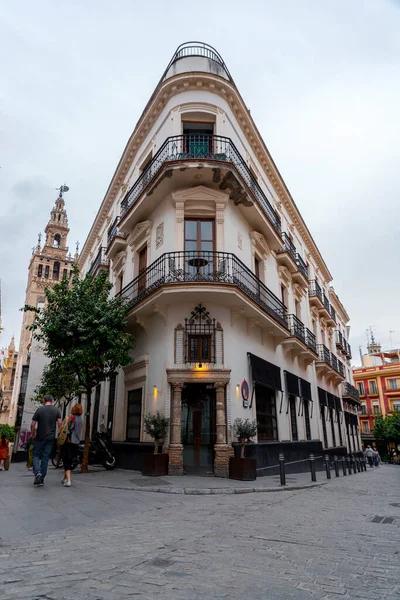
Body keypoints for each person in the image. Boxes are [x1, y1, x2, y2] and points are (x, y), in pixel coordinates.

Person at [31, 395, 62, 486]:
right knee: (45, 457)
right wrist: (60, 434)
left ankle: (37, 473)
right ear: (52, 401)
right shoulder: (56, 410)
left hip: (40, 436)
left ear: (44, 401)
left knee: (35, 455)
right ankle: (42, 478)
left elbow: (33, 424)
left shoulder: (40, 410)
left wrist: (33, 435)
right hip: (50, 437)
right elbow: (60, 423)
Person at [60, 403, 83, 487]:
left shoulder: (70, 417)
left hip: (68, 441)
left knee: (66, 460)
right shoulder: (80, 419)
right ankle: (65, 478)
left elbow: (64, 428)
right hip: (76, 442)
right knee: (69, 460)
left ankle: (69, 480)